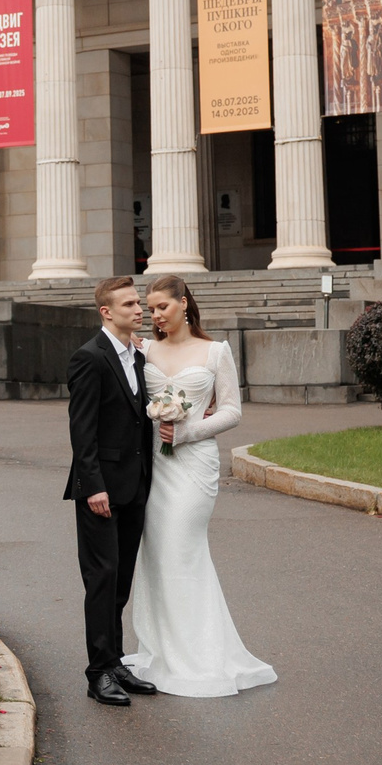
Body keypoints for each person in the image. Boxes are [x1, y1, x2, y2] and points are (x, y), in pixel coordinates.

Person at [122, 274, 276, 698]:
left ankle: (199, 655)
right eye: (150, 309)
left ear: (184, 303)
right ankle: (165, 650)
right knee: (158, 555)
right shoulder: (144, 350)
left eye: (162, 307)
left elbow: (232, 411)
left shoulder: (215, 351)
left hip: (194, 466)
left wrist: (189, 431)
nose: (155, 315)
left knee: (182, 549)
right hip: (154, 466)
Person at [63, 276, 160, 708]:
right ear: (106, 312)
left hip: (135, 485)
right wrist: (93, 487)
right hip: (100, 491)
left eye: (138, 303)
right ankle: (97, 673)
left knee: (120, 579)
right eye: (129, 305)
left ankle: (116, 662)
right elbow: (82, 431)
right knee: (101, 580)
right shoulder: (89, 357)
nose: (139, 310)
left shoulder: (136, 355)